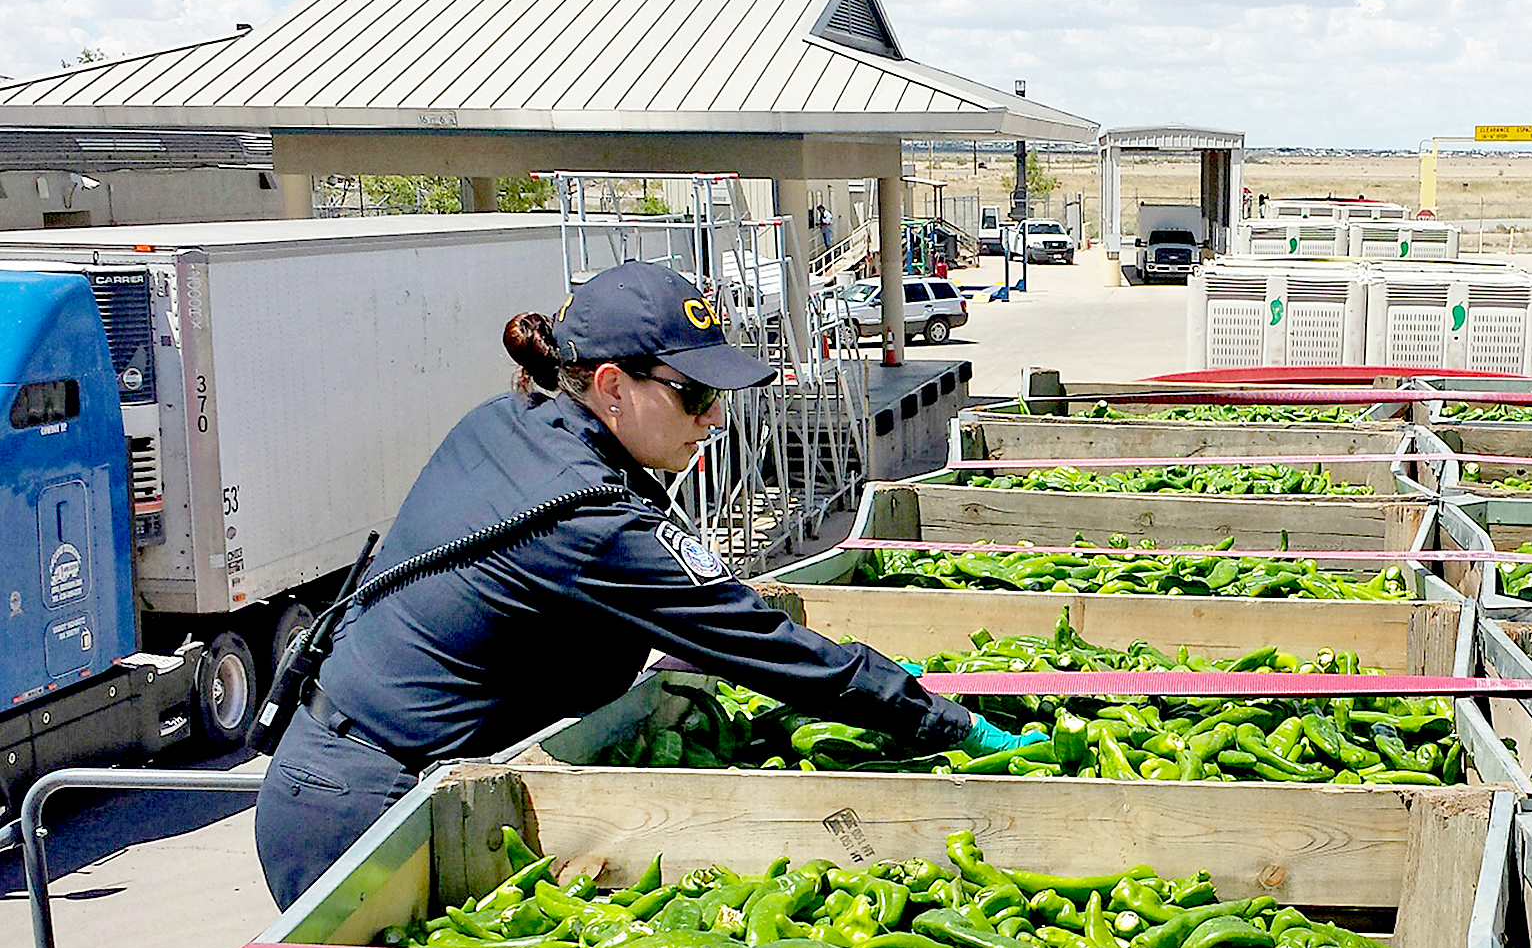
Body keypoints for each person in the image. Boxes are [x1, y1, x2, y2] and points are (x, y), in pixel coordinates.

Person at [254, 261, 1039, 909]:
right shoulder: (591, 519)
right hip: (364, 807)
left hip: (324, 769)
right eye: (694, 395)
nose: (716, 419)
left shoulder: (506, 420)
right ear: (611, 386)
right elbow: (762, 646)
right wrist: (951, 728)